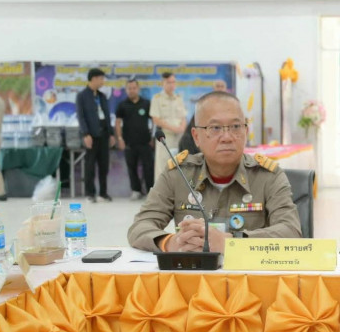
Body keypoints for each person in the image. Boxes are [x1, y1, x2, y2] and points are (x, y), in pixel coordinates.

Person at [128, 91, 301, 252]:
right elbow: (140, 227)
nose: (227, 137)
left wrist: (231, 243)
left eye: (235, 126)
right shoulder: (178, 174)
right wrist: (170, 242)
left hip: (248, 273)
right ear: (196, 137)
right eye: (215, 128)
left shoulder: (268, 176)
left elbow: (291, 231)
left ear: (246, 131)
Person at [76, 68, 116, 202]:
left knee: (104, 165)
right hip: (91, 136)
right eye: (101, 79)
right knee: (90, 166)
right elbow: (81, 117)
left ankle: (103, 193)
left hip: (104, 134)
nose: (103, 81)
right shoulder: (82, 96)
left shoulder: (102, 96)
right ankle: (90, 193)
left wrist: (111, 134)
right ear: (93, 79)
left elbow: (107, 116)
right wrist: (85, 134)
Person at [115, 78, 153, 200]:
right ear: (126, 90)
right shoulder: (122, 105)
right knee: (132, 167)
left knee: (148, 167)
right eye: (129, 88)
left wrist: (153, 137)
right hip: (129, 142)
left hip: (145, 141)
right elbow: (118, 123)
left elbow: (154, 121)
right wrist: (119, 138)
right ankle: (136, 190)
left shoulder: (146, 103)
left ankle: (150, 190)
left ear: (138, 89)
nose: (132, 90)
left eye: (134, 88)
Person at [150, 72, 187, 179]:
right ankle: (162, 189)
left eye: (173, 82)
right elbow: (156, 119)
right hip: (165, 137)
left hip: (179, 137)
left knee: (180, 165)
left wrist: (182, 128)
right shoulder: (157, 98)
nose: (171, 85)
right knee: (163, 166)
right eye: (168, 82)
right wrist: (174, 128)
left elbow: (183, 117)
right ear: (163, 83)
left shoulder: (178, 98)